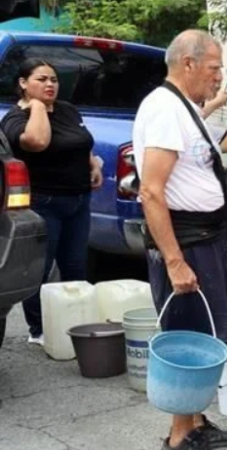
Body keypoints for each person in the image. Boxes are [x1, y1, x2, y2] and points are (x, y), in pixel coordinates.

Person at [133, 29, 227, 450]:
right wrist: (175, 261)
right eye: (214, 68)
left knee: (210, 335)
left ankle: (195, 421)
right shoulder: (163, 109)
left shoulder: (186, 109)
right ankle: (178, 440)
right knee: (192, 338)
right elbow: (152, 192)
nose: (219, 77)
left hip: (206, 240)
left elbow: (221, 146)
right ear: (189, 64)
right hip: (187, 242)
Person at [1, 59, 103, 347]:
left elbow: (81, 140)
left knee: (75, 266)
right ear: (23, 83)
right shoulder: (14, 119)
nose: (50, 85)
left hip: (79, 200)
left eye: (54, 80)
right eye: (42, 79)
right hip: (44, 202)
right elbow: (37, 141)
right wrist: (35, 107)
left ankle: (73, 325)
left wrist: (92, 164)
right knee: (39, 270)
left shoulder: (68, 110)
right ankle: (39, 330)